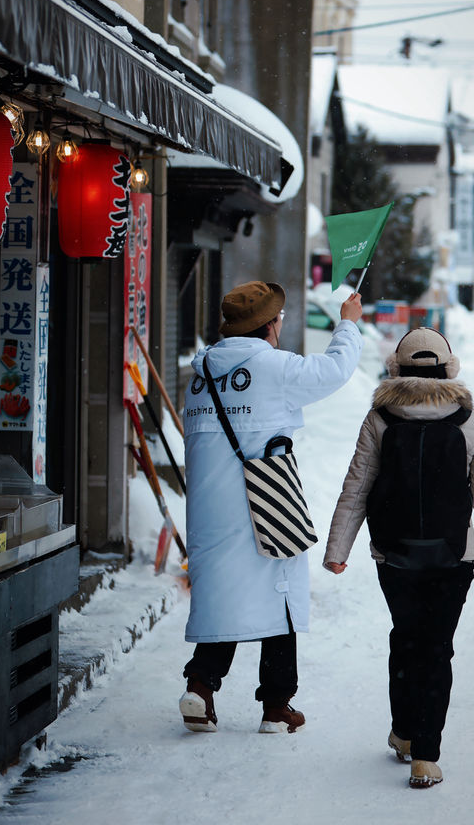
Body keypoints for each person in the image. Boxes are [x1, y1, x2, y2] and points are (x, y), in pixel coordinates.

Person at [179, 280, 363, 734]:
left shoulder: (201, 372)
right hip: (263, 501)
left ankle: (200, 687)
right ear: (269, 325)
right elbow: (335, 370)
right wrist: (348, 324)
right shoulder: (272, 367)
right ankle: (276, 706)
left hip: (208, 506)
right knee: (278, 594)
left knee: (223, 597)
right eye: (279, 319)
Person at [323, 326, 474, 787]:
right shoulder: (470, 420)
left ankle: (403, 732)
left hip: (395, 556)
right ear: (448, 368)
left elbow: (357, 488)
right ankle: (427, 754)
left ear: (397, 368)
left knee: (405, 638)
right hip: (453, 557)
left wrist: (338, 549)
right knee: (436, 650)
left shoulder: (380, 418)